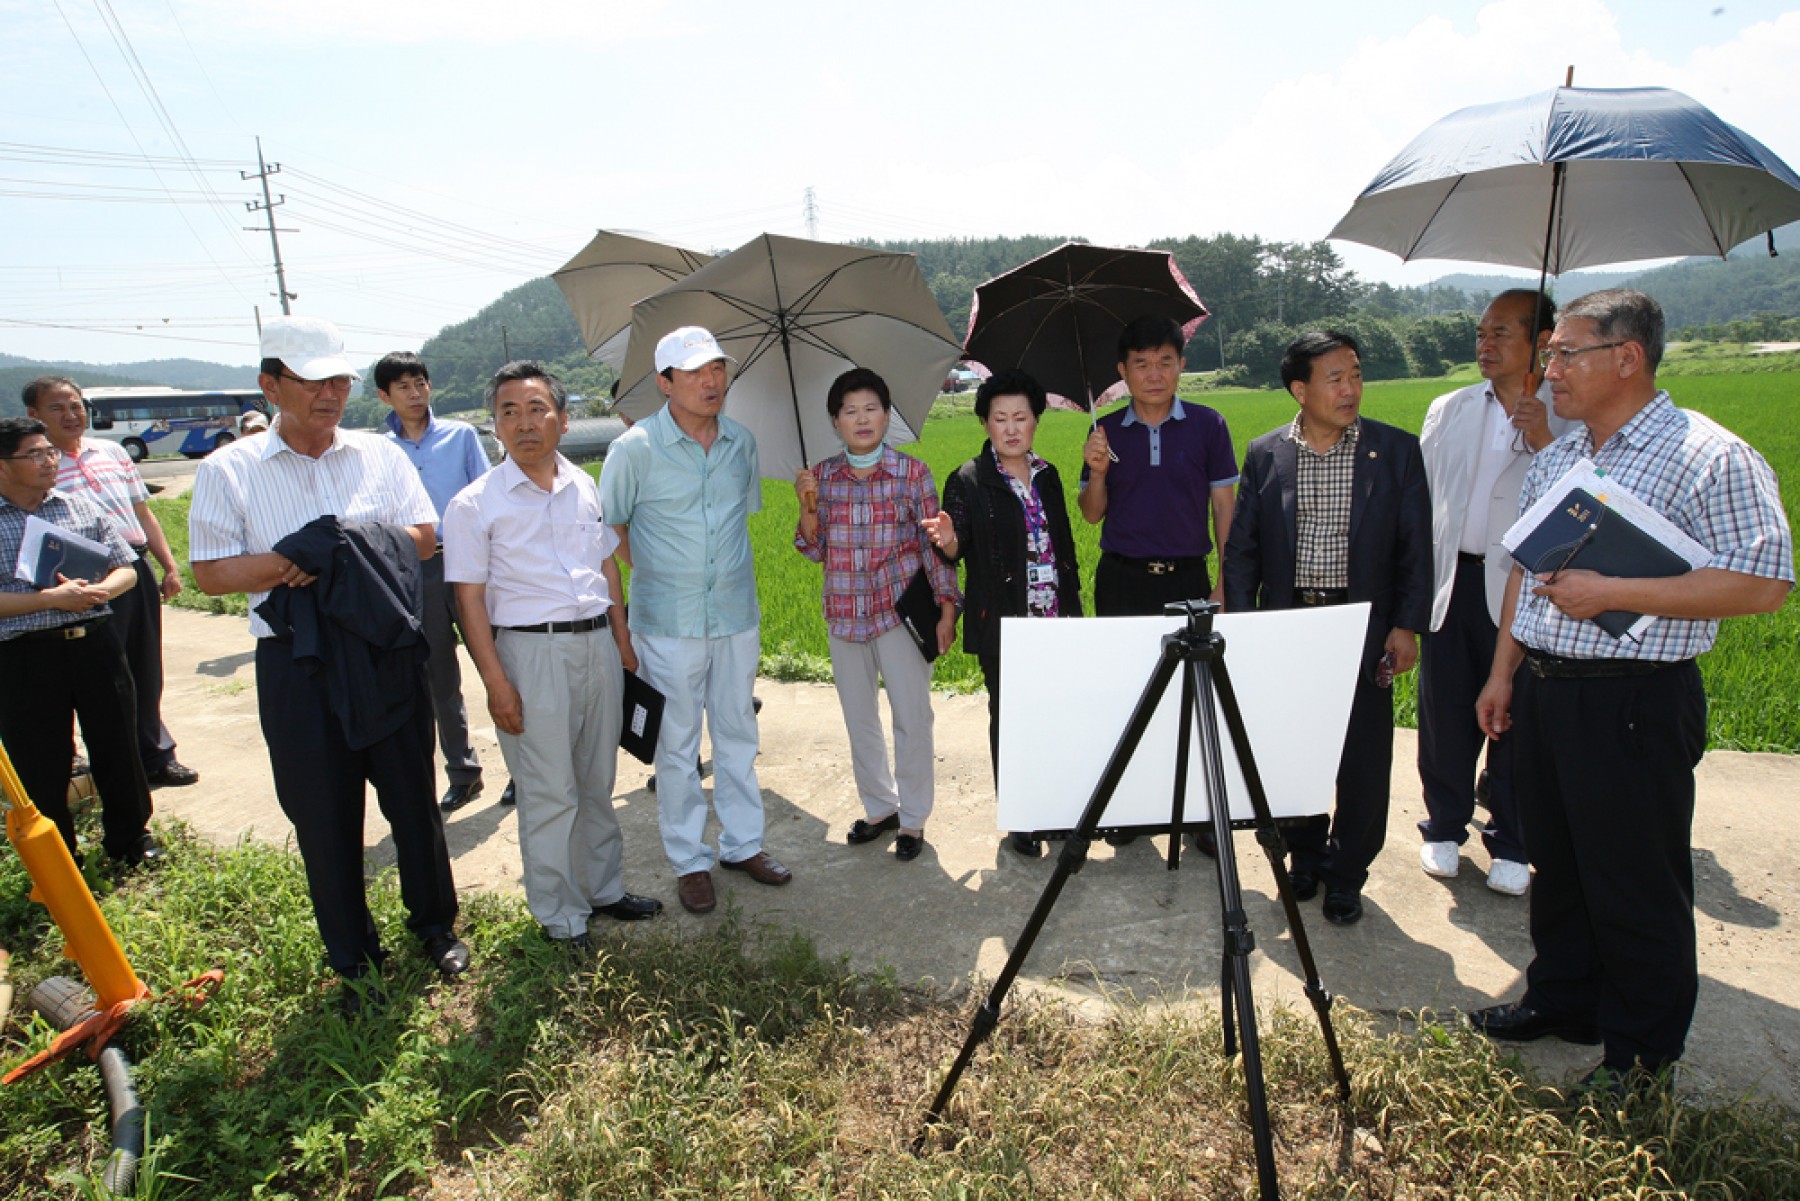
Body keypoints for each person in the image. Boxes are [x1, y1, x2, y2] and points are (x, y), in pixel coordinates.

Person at [1471, 290, 1792, 1089]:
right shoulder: (1560, 456)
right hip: (1546, 690)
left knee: (1633, 880)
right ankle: (1565, 999)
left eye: (1566, 353)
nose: (1551, 371)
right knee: (1562, 865)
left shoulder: (1710, 456)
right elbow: (1524, 570)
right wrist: (1503, 670)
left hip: (1633, 702)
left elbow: (1763, 583)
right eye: (1549, 355)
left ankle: (1641, 1056)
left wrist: (1620, 590)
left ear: (1627, 358)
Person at [188, 315, 468, 1006]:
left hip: (384, 651)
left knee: (413, 800)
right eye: (312, 380)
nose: (331, 393)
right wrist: (299, 559)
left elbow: (426, 536)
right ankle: (354, 958)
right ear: (270, 384)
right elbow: (213, 573)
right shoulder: (230, 469)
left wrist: (344, 550)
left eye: (339, 379)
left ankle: (435, 926)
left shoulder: (378, 455)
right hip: (298, 663)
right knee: (323, 813)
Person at [444, 362, 662, 946]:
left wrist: (622, 643)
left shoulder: (583, 485)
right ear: (495, 427)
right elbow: (469, 602)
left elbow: (606, 564)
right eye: (508, 412)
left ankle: (604, 890)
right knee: (548, 791)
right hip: (529, 654)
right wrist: (495, 683)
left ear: (563, 420)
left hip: (597, 647)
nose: (523, 422)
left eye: (536, 408)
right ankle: (560, 916)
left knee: (596, 780)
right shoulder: (473, 505)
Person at [1223, 331, 1431, 926]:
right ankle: (1306, 854)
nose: (1350, 389)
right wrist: (1247, 629)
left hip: (1362, 624)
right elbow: (1244, 550)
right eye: (1335, 378)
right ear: (1300, 389)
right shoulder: (1267, 454)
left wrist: (1405, 627)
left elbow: (1416, 548)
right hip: (1292, 622)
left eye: (1356, 375)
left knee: (1363, 753)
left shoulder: (1394, 452)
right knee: (1294, 744)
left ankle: (1348, 872)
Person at [598, 326, 791, 915]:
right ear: (664, 383)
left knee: (737, 734)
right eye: (695, 372)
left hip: (736, 614)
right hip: (667, 623)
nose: (711, 381)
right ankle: (689, 860)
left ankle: (743, 845)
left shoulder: (741, 443)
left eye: (717, 369)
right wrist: (641, 595)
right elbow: (609, 533)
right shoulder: (633, 451)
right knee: (676, 746)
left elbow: (738, 523)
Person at [1416, 291, 1573, 896]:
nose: (1485, 344)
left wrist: (1543, 440)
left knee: (1518, 716)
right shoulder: (1449, 408)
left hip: (1528, 589)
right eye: (1482, 333)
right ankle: (1443, 825)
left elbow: (1586, 496)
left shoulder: (1565, 413)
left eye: (1502, 333)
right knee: (1447, 710)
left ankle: (1512, 839)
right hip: (1454, 579)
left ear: (1541, 341)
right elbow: (1422, 495)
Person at [794, 368, 959, 862]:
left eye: (871, 408)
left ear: (886, 416)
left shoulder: (913, 474)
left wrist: (948, 607)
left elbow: (934, 549)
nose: (862, 419)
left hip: (899, 615)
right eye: (850, 411)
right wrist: (807, 508)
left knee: (913, 717)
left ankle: (912, 819)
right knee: (859, 718)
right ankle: (880, 806)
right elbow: (813, 549)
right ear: (835, 421)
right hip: (844, 614)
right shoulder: (820, 477)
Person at [925, 368, 1082, 858]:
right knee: (1011, 716)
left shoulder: (1049, 476)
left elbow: (1063, 546)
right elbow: (955, 548)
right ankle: (1021, 817)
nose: (1011, 428)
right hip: (1005, 624)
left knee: (1056, 714)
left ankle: (1055, 808)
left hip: (1055, 619)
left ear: (1036, 421)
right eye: (1000, 418)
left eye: (1021, 417)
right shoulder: (969, 479)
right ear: (985, 423)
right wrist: (949, 543)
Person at [23, 377, 198, 788]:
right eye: (57, 408)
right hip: (72, 579)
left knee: (143, 665)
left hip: (130, 569)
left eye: (76, 405)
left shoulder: (112, 452)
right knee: (89, 676)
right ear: (33, 415)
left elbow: (142, 513)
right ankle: (80, 763)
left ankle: (154, 755)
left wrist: (167, 565)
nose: (71, 415)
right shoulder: (33, 465)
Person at [0, 417, 159, 866]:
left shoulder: (79, 506)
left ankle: (131, 839)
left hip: (95, 642)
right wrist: (49, 599)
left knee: (117, 744)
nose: (49, 460)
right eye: (34, 454)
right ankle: (57, 856)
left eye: (49, 451)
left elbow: (126, 566)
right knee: (40, 756)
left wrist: (105, 590)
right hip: (26, 653)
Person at [376, 351, 490, 813]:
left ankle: (524, 771)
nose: (414, 392)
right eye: (402, 385)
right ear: (384, 395)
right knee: (438, 673)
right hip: (417, 569)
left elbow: (486, 493)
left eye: (420, 382)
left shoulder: (461, 436)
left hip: (469, 563)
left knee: (498, 660)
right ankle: (463, 772)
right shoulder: (382, 449)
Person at [1079, 314, 1237, 614]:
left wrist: (1225, 582)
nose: (1154, 376)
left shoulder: (1208, 425)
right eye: (1142, 364)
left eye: (1165, 363)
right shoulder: (1104, 431)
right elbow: (1091, 514)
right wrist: (1098, 474)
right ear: (1123, 371)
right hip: (1120, 581)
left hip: (1188, 579)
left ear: (1181, 366)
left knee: (1191, 663)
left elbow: (1223, 507)